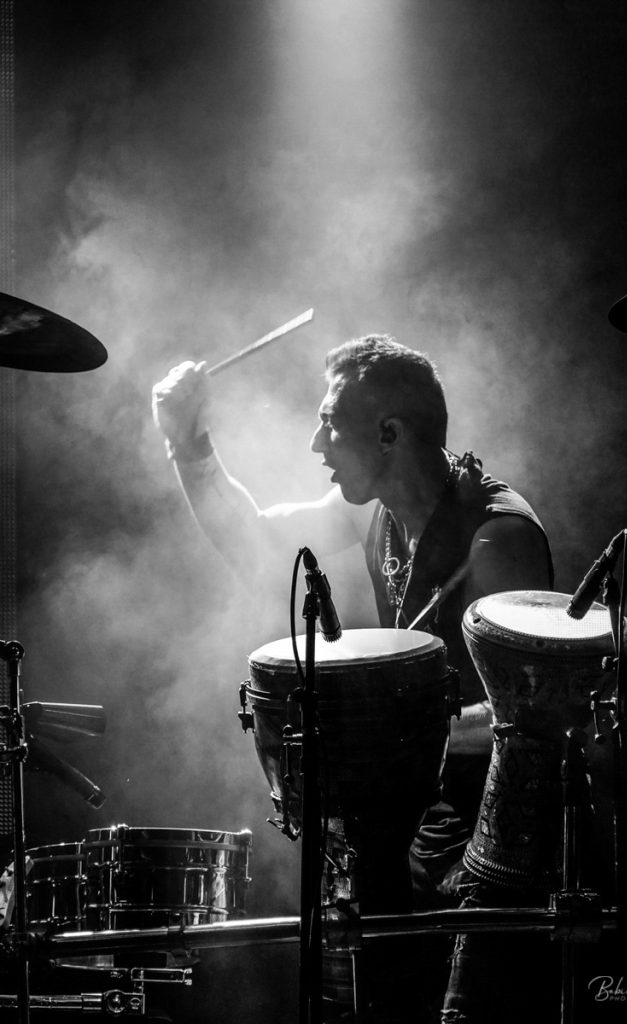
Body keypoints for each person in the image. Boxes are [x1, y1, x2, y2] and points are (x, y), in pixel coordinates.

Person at [152, 334, 554, 1022]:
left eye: (330, 423)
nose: (316, 444)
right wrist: (188, 446)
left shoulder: (496, 538)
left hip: (497, 852)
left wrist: (379, 738)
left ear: (389, 433)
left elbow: (530, 720)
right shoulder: (379, 511)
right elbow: (256, 542)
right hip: (422, 826)